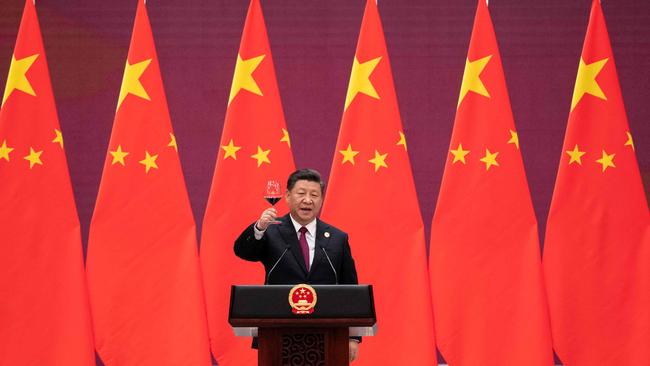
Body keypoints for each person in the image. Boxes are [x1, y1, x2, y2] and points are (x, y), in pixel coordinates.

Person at [234, 168, 360, 362]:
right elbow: (243, 251)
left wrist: (353, 337)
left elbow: (351, 289)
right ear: (287, 196)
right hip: (277, 332)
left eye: (314, 195)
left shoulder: (337, 238)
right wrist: (259, 228)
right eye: (301, 193)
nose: (308, 200)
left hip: (328, 333)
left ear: (321, 199)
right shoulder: (271, 230)